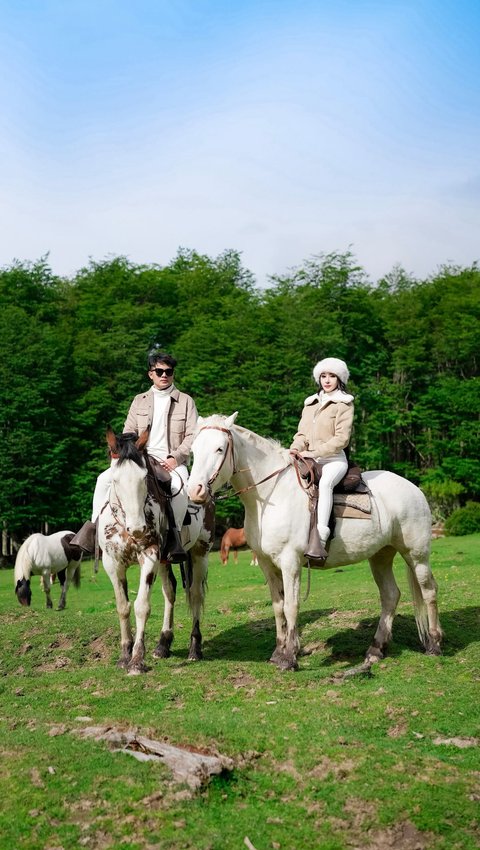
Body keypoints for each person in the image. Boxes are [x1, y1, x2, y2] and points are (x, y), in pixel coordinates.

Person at [72, 348, 198, 560]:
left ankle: (172, 539)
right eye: (159, 371)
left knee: (180, 488)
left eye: (169, 371)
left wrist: (176, 458)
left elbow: (193, 435)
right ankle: (94, 531)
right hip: (141, 458)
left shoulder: (186, 401)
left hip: (172, 461)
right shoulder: (139, 400)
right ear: (151, 373)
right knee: (103, 479)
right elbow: (128, 432)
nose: (165, 375)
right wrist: (129, 455)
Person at [290, 357, 354, 561]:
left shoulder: (344, 403)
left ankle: (321, 537)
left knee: (325, 484)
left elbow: (341, 439)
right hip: (308, 458)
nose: (327, 380)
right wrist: (294, 448)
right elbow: (301, 434)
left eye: (332, 376)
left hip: (334, 460)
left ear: (339, 379)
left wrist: (315, 452)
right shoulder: (310, 403)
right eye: (323, 376)